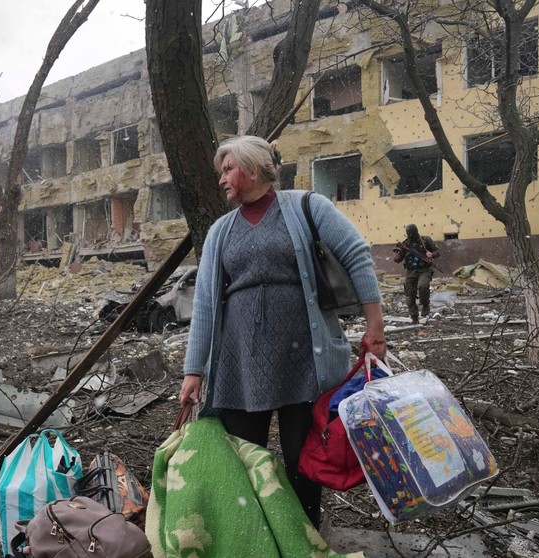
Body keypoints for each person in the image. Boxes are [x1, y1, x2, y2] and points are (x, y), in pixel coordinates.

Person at [178, 135, 387, 529]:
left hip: (303, 359)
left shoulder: (306, 206)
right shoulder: (221, 231)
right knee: (243, 461)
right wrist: (194, 371)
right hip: (240, 364)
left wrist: (375, 326)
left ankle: (304, 536)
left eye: (228, 170)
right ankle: (254, 536)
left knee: (302, 462)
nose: (221, 179)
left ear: (253, 169)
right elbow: (205, 303)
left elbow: (357, 254)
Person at [393, 224, 440, 324]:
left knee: (423, 286)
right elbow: (399, 258)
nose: (410, 235)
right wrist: (397, 257)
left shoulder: (425, 240)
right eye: (408, 233)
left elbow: (437, 252)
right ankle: (414, 317)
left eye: (412, 233)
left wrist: (431, 254)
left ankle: (425, 306)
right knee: (409, 295)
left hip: (424, 270)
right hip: (411, 271)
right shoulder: (406, 243)